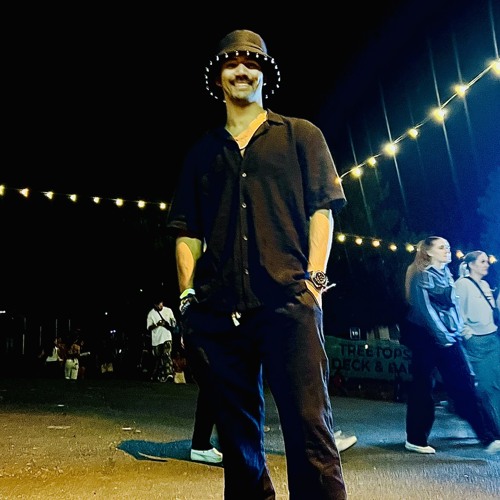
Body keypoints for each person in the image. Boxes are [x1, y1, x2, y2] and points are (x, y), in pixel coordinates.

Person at [167, 29, 348, 499]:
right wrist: (187, 298)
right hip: (219, 311)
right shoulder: (202, 153)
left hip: (289, 303)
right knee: (238, 441)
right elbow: (187, 231)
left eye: (251, 63)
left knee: (310, 429)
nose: (242, 70)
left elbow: (322, 210)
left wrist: (314, 283)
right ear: (218, 78)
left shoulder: (301, 135)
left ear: (265, 75)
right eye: (231, 64)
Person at [402, 236, 500, 454]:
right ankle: (416, 439)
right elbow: (425, 310)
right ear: (428, 252)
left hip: (447, 336)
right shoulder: (420, 274)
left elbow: (454, 307)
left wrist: (456, 331)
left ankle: (488, 436)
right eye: (441, 247)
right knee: (422, 387)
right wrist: (445, 337)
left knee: (464, 384)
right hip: (425, 337)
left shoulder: (446, 273)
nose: (447, 250)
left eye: (447, 246)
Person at [455, 251, 500, 426]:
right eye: (482, 261)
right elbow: (457, 314)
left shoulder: (485, 285)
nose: (487, 264)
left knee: (496, 384)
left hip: (492, 339)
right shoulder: (462, 285)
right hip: (477, 342)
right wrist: (468, 335)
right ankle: (492, 425)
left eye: (487, 261)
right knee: (486, 386)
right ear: (471, 264)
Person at [146, 296, 177, 382]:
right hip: (156, 340)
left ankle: (169, 374)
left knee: (166, 354)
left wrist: (168, 323)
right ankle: (161, 376)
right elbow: (148, 327)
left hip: (167, 337)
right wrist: (157, 324)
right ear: (155, 305)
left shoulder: (168, 310)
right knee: (158, 358)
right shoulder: (151, 313)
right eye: (158, 304)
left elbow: (173, 323)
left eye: (161, 303)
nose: (160, 306)